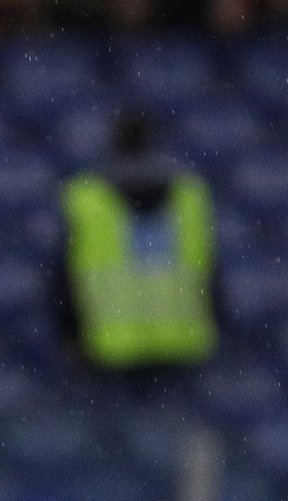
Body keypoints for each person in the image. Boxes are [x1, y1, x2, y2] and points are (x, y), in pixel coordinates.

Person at [58, 109, 219, 375]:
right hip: (181, 345)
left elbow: (64, 276)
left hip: (109, 346)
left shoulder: (85, 198)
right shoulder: (191, 195)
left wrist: (70, 334)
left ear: (113, 144)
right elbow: (211, 270)